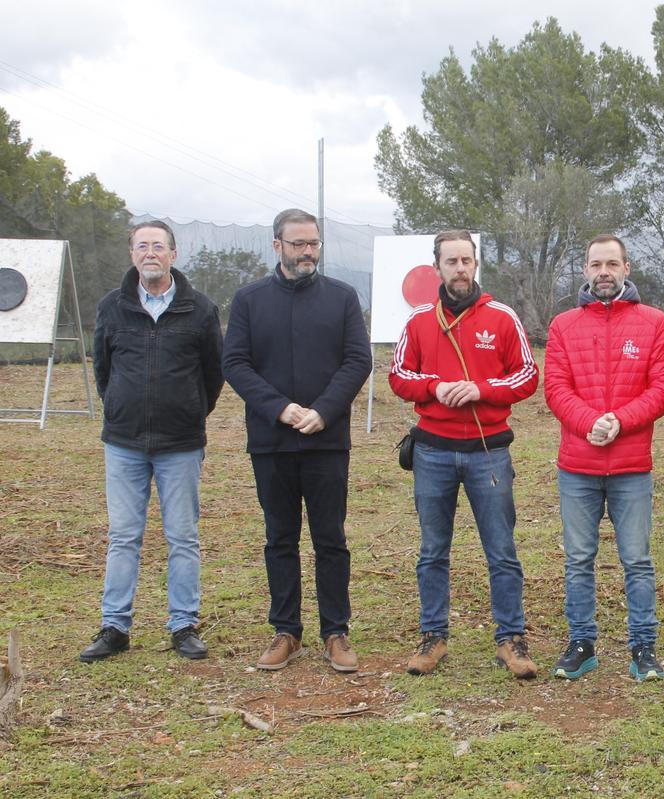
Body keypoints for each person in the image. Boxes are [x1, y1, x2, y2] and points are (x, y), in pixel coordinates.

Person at [223, 208, 372, 673]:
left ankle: (336, 632)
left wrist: (323, 412)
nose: (308, 252)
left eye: (314, 244)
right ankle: (286, 630)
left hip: (326, 442)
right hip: (271, 441)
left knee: (330, 539)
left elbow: (357, 360)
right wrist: (280, 408)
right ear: (277, 247)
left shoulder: (343, 298)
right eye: (298, 244)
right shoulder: (248, 300)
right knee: (279, 538)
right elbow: (236, 364)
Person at [389, 230, 541, 679]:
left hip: (488, 453)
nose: (459, 268)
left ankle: (511, 638)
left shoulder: (501, 317)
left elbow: (529, 375)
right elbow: (399, 376)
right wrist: (435, 385)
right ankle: (433, 636)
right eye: (451, 261)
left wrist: (482, 388)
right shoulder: (418, 320)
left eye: (466, 260)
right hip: (432, 452)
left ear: (476, 264)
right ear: (436, 266)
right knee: (433, 550)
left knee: (502, 550)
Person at [82, 220, 223, 662]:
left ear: (173, 255)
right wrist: (120, 408)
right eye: (141, 246)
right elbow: (102, 368)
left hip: (180, 443)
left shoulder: (200, 309)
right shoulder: (111, 307)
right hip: (123, 443)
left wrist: (187, 411)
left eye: (158, 246)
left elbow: (213, 374)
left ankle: (183, 625)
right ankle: (114, 627)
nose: (150, 253)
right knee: (124, 535)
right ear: (132, 255)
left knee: (182, 536)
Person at [543, 235, 664, 681]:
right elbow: (557, 388)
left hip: (631, 466)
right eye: (596, 264)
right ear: (584, 270)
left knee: (637, 560)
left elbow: (662, 388)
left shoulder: (654, 323)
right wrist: (590, 423)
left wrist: (619, 419)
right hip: (577, 466)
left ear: (626, 268)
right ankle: (582, 644)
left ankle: (644, 647)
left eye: (612, 263)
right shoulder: (563, 325)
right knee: (578, 559)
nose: (604, 271)